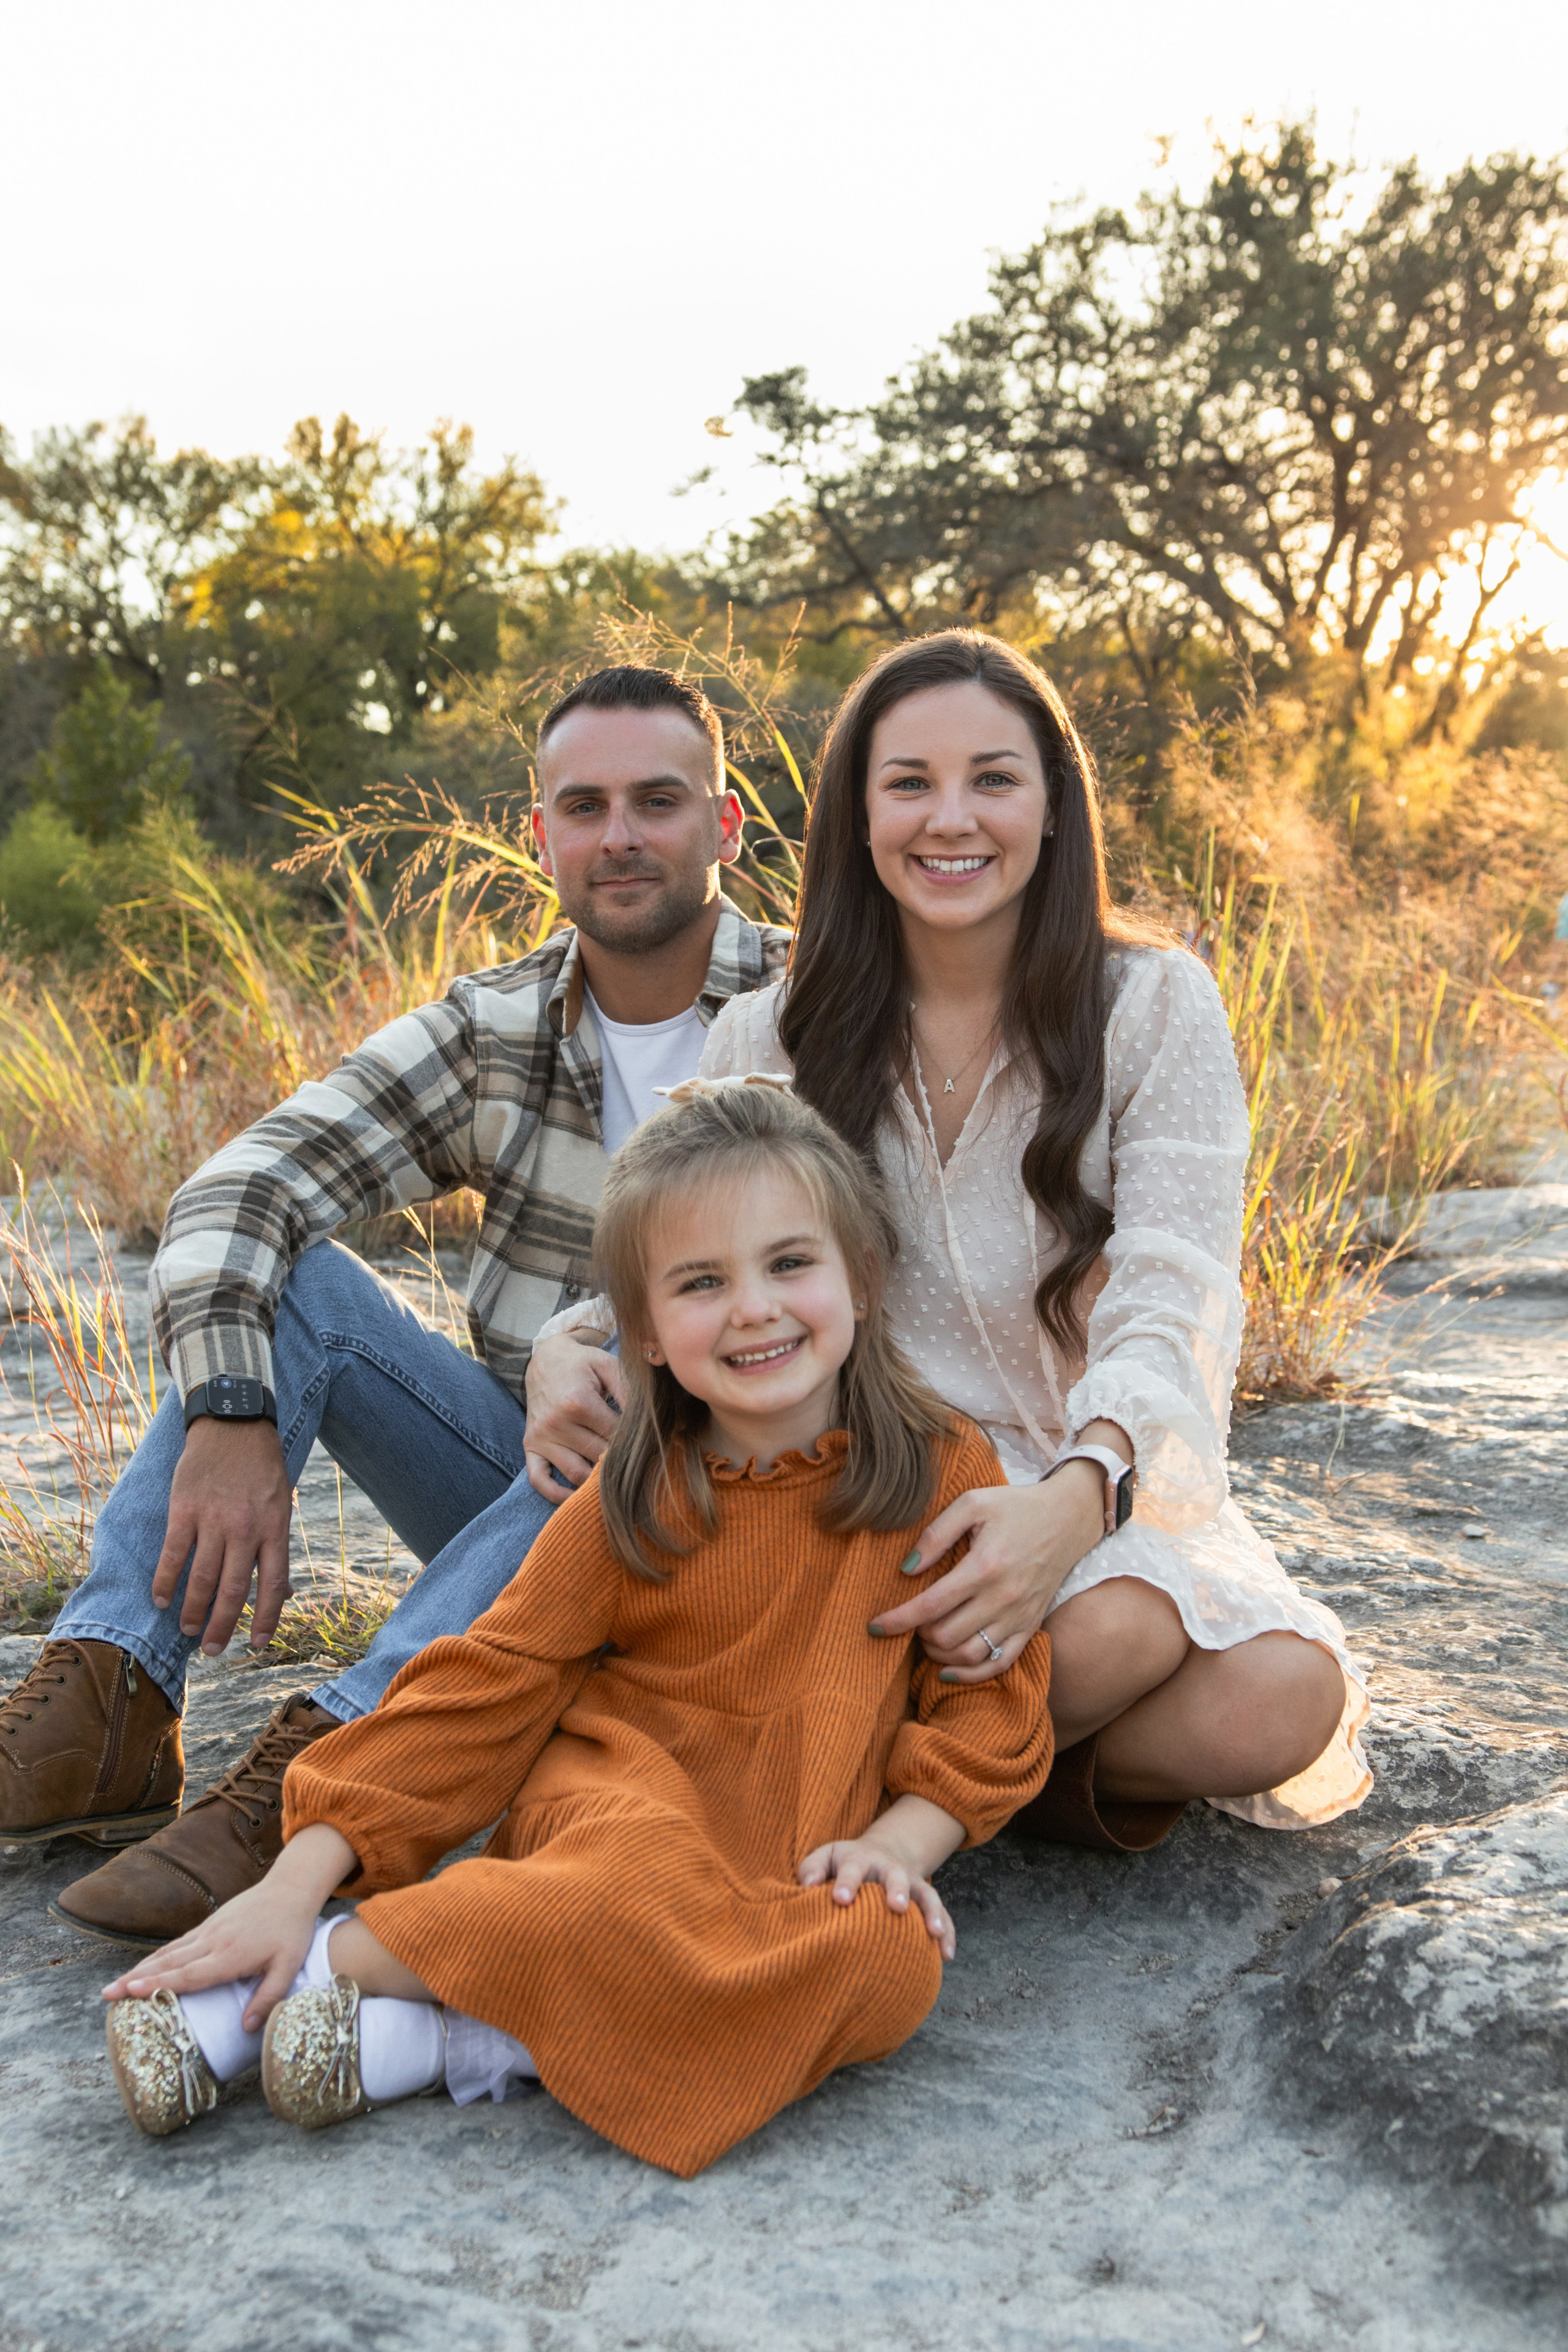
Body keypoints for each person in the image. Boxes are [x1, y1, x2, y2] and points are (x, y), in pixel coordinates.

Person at [99, 1081, 1052, 2177]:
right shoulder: (630, 1497)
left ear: (864, 1279)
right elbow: (483, 1689)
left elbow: (991, 1695)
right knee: (621, 1895)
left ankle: (441, 2031)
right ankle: (294, 1975)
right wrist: (293, 1882)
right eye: (701, 1282)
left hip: (799, 1852)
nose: (753, 1309)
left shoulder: (945, 1473)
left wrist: (898, 1848)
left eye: (790, 1263)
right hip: (625, 1813)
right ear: (643, 1332)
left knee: (889, 1955)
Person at [0, 666, 788, 1945]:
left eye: (657, 801)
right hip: (527, 1501)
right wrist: (232, 1412)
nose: (620, 837)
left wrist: (592, 1357)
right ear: (540, 834)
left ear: (725, 822)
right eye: (583, 807)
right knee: (302, 1287)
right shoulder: (499, 1025)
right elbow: (240, 1189)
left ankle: (337, 1765)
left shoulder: (815, 1009)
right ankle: (108, 1704)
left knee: (634, 1419)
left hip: (738, 1524)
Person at [546, 630, 1369, 1847]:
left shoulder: (1152, 1005)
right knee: (1117, 1638)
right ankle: (929, 1769)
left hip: (1091, 1468)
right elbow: (677, 1255)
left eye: (993, 778)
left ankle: (900, 1769)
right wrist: (566, 1345)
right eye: (909, 783)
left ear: (1052, 807)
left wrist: (1082, 1495)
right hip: (867, 1483)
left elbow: (1175, 1287)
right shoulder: (768, 1035)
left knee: (1279, 1697)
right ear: (858, 814)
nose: (950, 818)